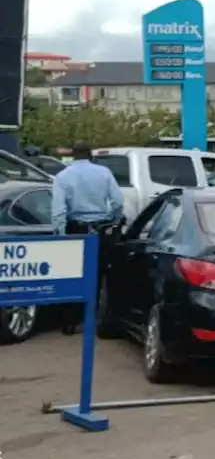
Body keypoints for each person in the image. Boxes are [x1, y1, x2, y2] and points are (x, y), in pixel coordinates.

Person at [51, 140, 126, 334]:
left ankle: (69, 322)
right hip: (100, 230)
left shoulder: (62, 176)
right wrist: (113, 220)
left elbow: (58, 210)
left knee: (73, 274)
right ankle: (96, 320)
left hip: (75, 230)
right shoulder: (104, 173)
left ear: (73, 155)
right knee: (100, 274)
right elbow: (117, 201)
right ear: (90, 154)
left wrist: (60, 234)